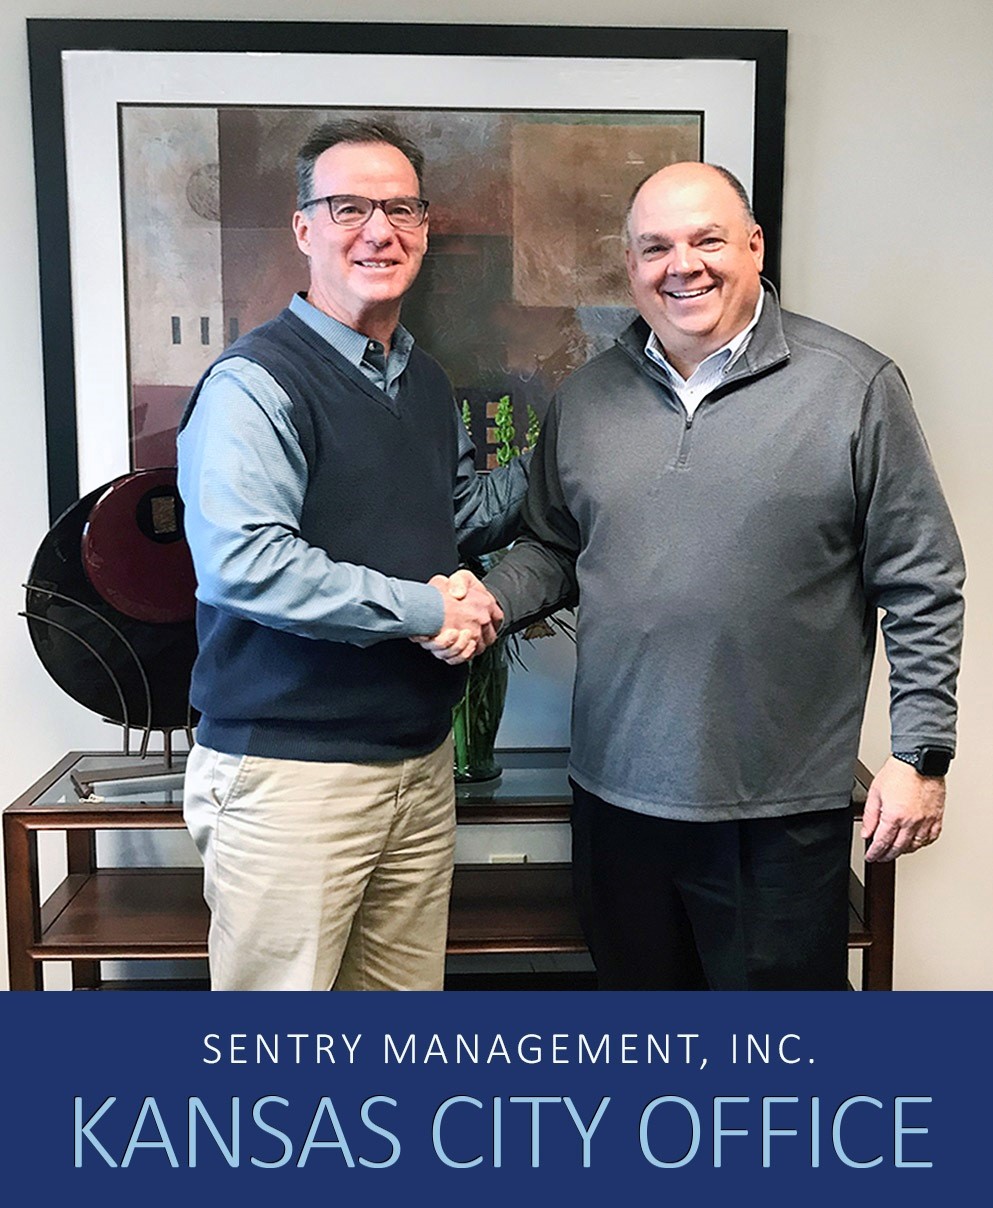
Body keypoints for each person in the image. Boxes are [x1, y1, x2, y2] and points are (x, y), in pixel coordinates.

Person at [425, 162, 965, 990]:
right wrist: (490, 598)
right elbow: (556, 546)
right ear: (631, 265)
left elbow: (921, 579)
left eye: (707, 239)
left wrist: (920, 753)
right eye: (655, 247)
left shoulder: (855, 387)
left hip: (776, 811)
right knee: (648, 1051)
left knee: (780, 1069)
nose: (683, 265)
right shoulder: (588, 397)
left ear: (752, 246)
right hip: (613, 800)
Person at [177, 119, 518, 991]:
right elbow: (246, 563)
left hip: (415, 764)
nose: (379, 229)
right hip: (290, 778)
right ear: (303, 229)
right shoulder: (256, 382)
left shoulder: (427, 382)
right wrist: (426, 611)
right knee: (278, 1075)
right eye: (349, 207)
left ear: (425, 227)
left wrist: (577, 451)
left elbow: (453, 518)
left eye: (400, 208)